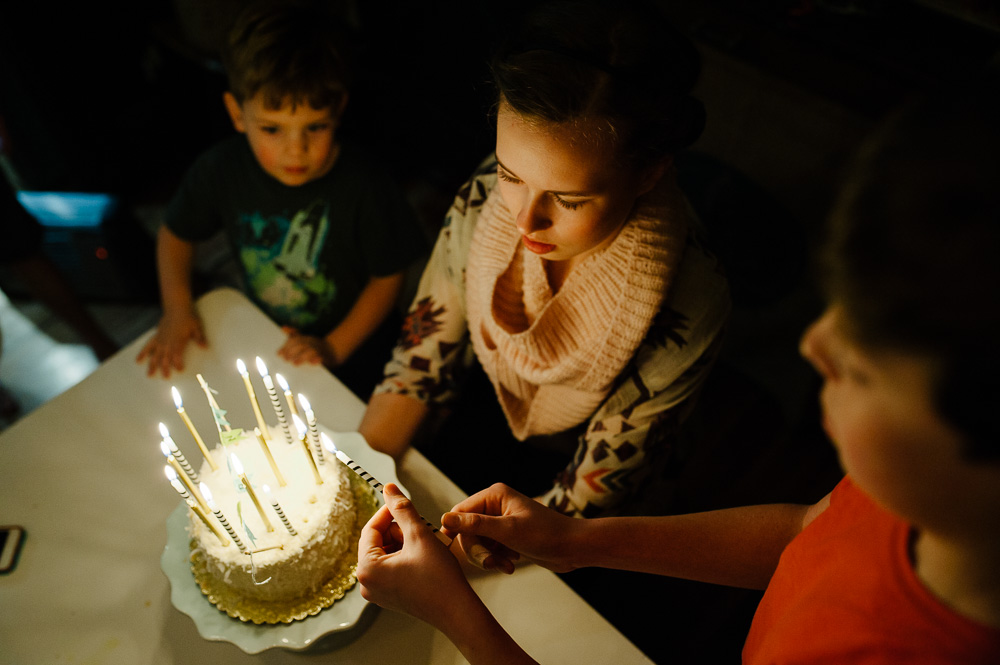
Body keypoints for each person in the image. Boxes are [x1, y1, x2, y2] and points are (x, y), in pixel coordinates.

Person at [355, 86, 1000, 663]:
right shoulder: (896, 500)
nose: (813, 345)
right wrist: (574, 539)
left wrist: (457, 617)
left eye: (864, 363)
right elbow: (808, 530)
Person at [358, 0, 730, 518]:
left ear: (648, 174)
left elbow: (584, 506)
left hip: (596, 500)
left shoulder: (693, 300)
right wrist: (353, 474)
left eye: (570, 199)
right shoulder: (486, 194)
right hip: (476, 408)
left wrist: (456, 556)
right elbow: (423, 360)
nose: (524, 220)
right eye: (512, 176)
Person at [136, 0, 426, 398]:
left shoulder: (366, 185)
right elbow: (174, 235)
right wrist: (177, 308)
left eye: (315, 127)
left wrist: (334, 348)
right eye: (272, 129)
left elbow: (389, 275)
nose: (296, 150)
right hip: (272, 338)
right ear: (236, 113)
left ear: (339, 109)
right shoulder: (220, 170)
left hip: (361, 350)